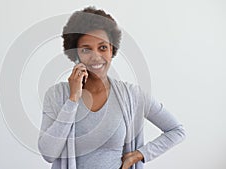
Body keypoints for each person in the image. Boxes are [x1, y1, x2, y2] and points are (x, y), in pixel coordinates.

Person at [38, 6, 186, 169]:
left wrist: (139, 155)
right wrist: (73, 99)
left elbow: (176, 131)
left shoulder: (132, 95)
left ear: (112, 50)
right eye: (86, 49)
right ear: (76, 53)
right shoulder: (57, 95)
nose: (96, 56)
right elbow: (48, 154)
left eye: (103, 47)